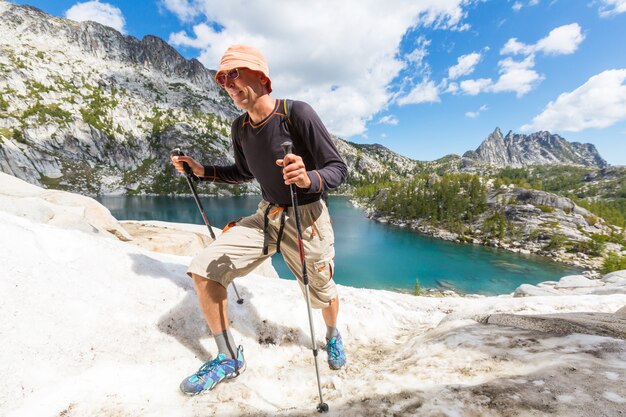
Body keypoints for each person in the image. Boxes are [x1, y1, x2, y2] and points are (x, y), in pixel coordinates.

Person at [171, 44, 349, 396]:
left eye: (233, 74)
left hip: (308, 220)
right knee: (204, 268)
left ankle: (332, 335)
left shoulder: (296, 114)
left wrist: (308, 177)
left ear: (262, 77)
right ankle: (227, 358)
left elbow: (338, 169)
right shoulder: (239, 128)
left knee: (321, 293)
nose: (227, 83)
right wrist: (201, 170)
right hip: (267, 216)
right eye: (221, 78)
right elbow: (242, 171)